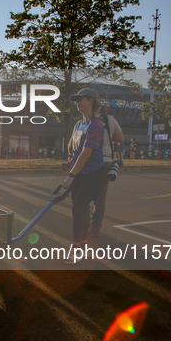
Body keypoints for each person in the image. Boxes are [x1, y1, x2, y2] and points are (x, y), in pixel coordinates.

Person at [60, 88, 105, 263]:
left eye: (81, 99)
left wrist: (71, 174)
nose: (77, 102)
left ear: (91, 101)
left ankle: (77, 247)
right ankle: (83, 244)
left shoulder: (96, 125)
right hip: (80, 172)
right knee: (78, 210)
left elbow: (86, 153)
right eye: (76, 99)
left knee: (78, 208)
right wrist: (70, 161)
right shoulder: (79, 124)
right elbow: (75, 148)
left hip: (93, 174)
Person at [88, 106, 124, 237]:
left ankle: (83, 225)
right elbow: (120, 138)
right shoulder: (109, 120)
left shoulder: (84, 120)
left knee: (83, 196)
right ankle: (95, 227)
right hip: (105, 162)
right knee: (100, 198)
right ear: (99, 107)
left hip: (87, 162)